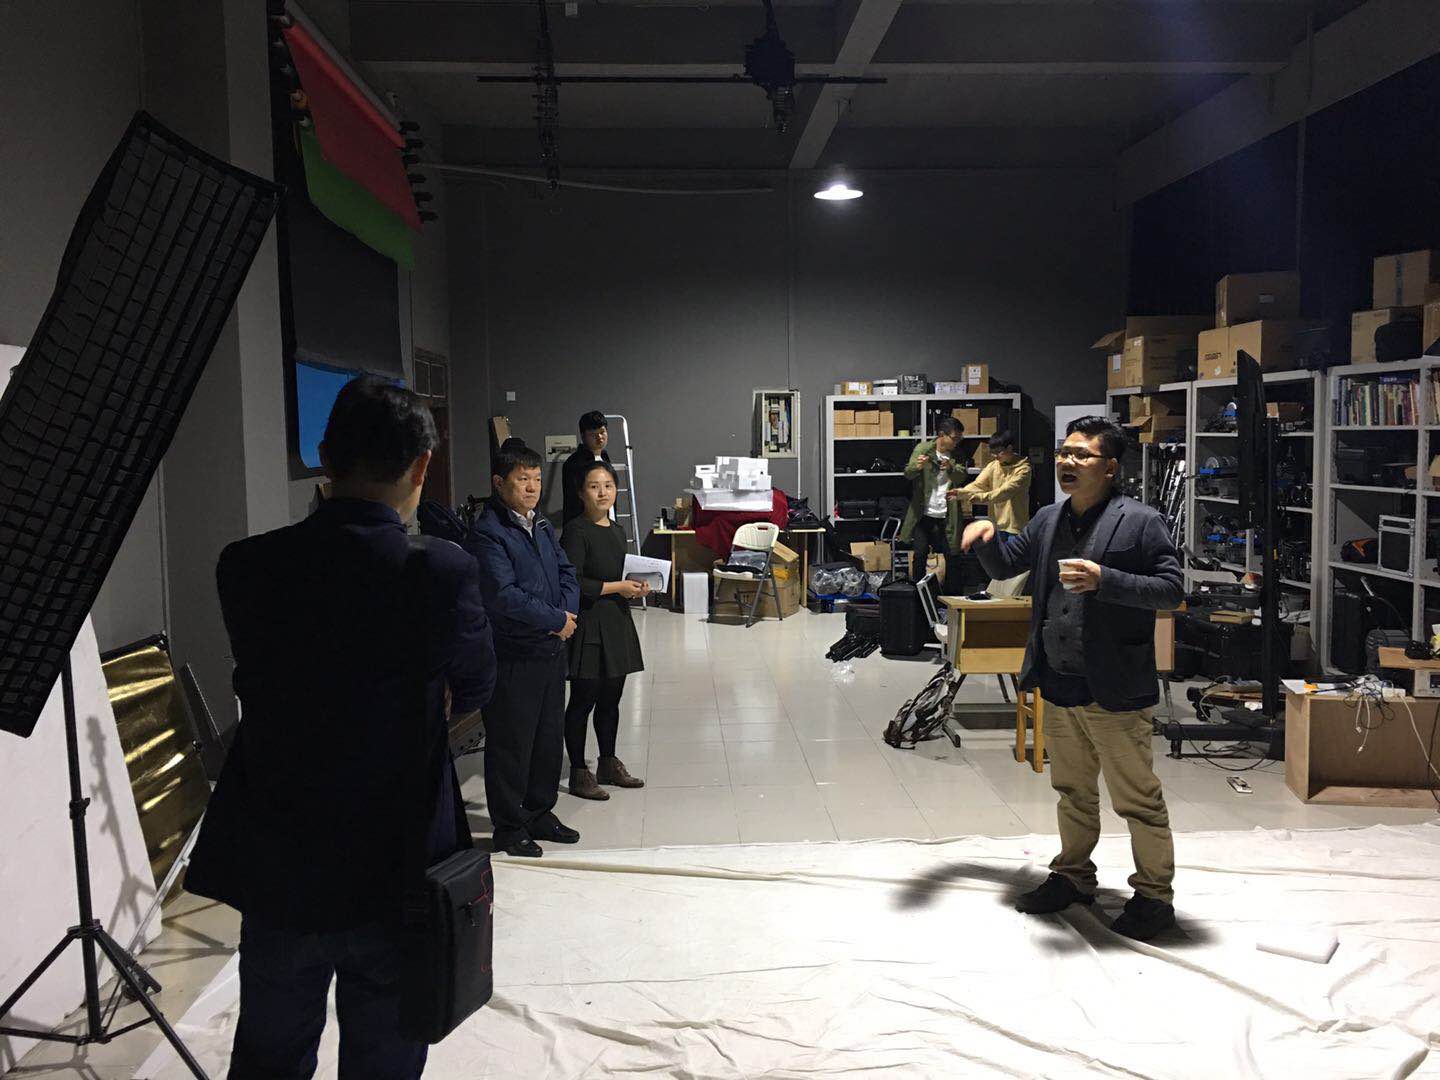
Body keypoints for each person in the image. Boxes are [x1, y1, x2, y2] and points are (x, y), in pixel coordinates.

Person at [186, 377, 496, 1079]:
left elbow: (265, 676)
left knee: (269, 1055)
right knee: (385, 1056)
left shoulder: (247, 564)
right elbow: (477, 687)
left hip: (281, 855)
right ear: (421, 467)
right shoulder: (440, 570)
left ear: (325, 458)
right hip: (397, 859)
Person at [960, 415, 1183, 942]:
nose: (1067, 461)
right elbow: (1006, 564)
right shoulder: (1048, 518)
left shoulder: (1141, 521)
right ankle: (1073, 877)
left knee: (1137, 800)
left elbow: (1172, 590)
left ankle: (1154, 898)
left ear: (1110, 467)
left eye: (1081, 454)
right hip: (1060, 680)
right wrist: (987, 536)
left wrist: (1107, 580)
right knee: (1073, 792)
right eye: (1064, 452)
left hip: (1115, 687)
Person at [469, 442, 582, 857]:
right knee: (512, 744)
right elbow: (504, 596)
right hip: (514, 653)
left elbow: (567, 572)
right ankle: (509, 826)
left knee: (548, 739)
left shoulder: (542, 525)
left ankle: (539, 812)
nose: (533, 487)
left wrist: (566, 614)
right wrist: (556, 620)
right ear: (499, 483)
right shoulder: (488, 533)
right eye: (523, 479)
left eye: (536, 479)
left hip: (550, 649)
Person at [560, 460, 648, 799]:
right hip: (589, 623)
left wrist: (635, 586)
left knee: (612, 698)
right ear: (581, 493)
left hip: (616, 620)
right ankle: (578, 772)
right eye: (594, 486)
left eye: (608, 486)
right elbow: (575, 582)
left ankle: (608, 763)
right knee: (583, 700)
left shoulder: (617, 531)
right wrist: (618, 587)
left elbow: (618, 574)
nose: (602, 492)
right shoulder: (576, 530)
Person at [899, 416, 967, 592]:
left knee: (952, 556)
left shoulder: (957, 454)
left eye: (960, 438)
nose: (957, 442)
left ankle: (952, 599)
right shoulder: (923, 449)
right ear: (942, 434)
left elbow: (962, 477)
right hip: (924, 513)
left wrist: (950, 468)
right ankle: (919, 596)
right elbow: (908, 473)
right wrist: (918, 467)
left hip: (948, 513)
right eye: (955, 438)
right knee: (920, 555)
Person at [954, 430, 1031, 537]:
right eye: (992, 452)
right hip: (996, 524)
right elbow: (978, 484)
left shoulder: (1023, 469)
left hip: (1015, 527)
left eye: (998, 452)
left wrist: (981, 498)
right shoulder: (993, 466)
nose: (995, 456)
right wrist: (961, 493)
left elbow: (1006, 491)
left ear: (1009, 448)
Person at [561, 410, 612, 525]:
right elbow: (574, 503)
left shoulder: (605, 457)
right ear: (583, 436)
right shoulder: (574, 463)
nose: (599, 437)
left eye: (602, 432)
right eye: (593, 434)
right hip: (586, 527)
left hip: (607, 522)